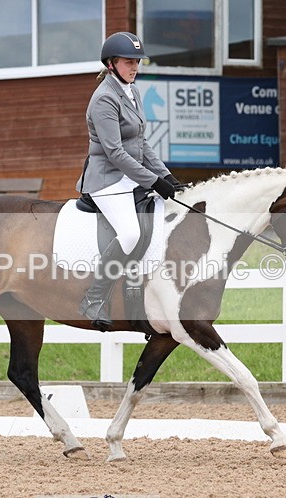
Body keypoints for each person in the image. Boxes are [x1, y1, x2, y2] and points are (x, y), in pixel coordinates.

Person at [75, 31, 179, 331]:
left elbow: (141, 143)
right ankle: (94, 298)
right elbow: (116, 153)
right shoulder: (104, 99)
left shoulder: (131, 91)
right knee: (131, 234)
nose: (135, 67)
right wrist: (153, 181)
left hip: (128, 177)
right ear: (111, 64)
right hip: (106, 180)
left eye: (137, 62)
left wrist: (166, 175)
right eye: (129, 62)